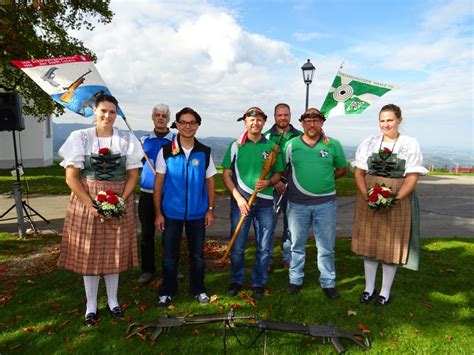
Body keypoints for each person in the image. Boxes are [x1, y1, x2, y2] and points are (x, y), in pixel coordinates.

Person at [57, 94, 144, 327]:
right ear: (94, 111)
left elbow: (134, 174)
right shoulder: (80, 138)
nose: (108, 116)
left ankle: (113, 301)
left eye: (112, 112)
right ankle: (91, 305)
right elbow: (71, 178)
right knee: (90, 253)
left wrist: (120, 201)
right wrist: (91, 205)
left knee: (113, 251)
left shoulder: (126, 139)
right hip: (87, 199)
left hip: (119, 198)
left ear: (117, 114)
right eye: (103, 111)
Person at [351, 104, 428, 306]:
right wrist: (367, 196)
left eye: (390, 120)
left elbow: (412, 177)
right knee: (369, 243)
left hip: (397, 200)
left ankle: (385, 291)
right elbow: (358, 173)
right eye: (382, 120)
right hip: (368, 198)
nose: (386, 124)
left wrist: (394, 199)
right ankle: (369, 288)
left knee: (391, 245)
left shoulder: (410, 144)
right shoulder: (369, 142)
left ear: (399, 120)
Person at [154, 107, 216, 307]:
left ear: (197, 126)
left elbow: (210, 182)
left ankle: (198, 289)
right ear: (177, 125)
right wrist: (158, 213)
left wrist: (210, 209)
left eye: (192, 123)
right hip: (171, 213)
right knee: (170, 256)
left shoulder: (204, 152)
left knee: (197, 256)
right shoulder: (166, 151)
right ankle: (167, 291)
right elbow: (158, 184)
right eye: (183, 122)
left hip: (197, 214)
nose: (188, 126)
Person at [222, 107, 283, 301]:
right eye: (251, 119)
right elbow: (226, 174)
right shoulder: (235, 146)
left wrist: (269, 182)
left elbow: (278, 173)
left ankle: (258, 282)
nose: (255, 123)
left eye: (259, 120)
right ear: (245, 122)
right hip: (241, 203)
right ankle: (237, 280)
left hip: (265, 203)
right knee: (238, 247)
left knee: (264, 247)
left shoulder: (272, 146)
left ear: (264, 122)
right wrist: (238, 198)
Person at [285, 107, 347, 299]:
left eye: (316, 121)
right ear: (302, 123)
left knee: (326, 246)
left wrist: (326, 179)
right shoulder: (291, 144)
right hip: (297, 204)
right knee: (296, 245)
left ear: (322, 123)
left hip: (325, 204)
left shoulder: (333, 144)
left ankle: (328, 282)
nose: (311, 125)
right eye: (307, 121)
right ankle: (295, 280)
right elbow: (281, 169)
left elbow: (342, 168)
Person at [137, 104, 175, 285]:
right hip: (147, 193)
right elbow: (133, 164)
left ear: (168, 119)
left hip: (168, 194)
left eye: (164, 116)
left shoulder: (176, 139)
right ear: (153, 117)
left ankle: (172, 268)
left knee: (171, 234)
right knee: (147, 234)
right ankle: (147, 269)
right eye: (157, 115)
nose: (161, 118)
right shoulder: (143, 140)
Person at [264, 103, 302, 271]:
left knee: (290, 226)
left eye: (286, 115)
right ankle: (267, 258)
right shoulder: (266, 137)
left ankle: (287, 257)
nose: (283, 118)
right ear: (275, 116)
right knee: (269, 225)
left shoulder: (300, 136)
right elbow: (263, 162)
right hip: (273, 187)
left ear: (290, 116)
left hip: (294, 188)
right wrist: (276, 180)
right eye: (279, 115)